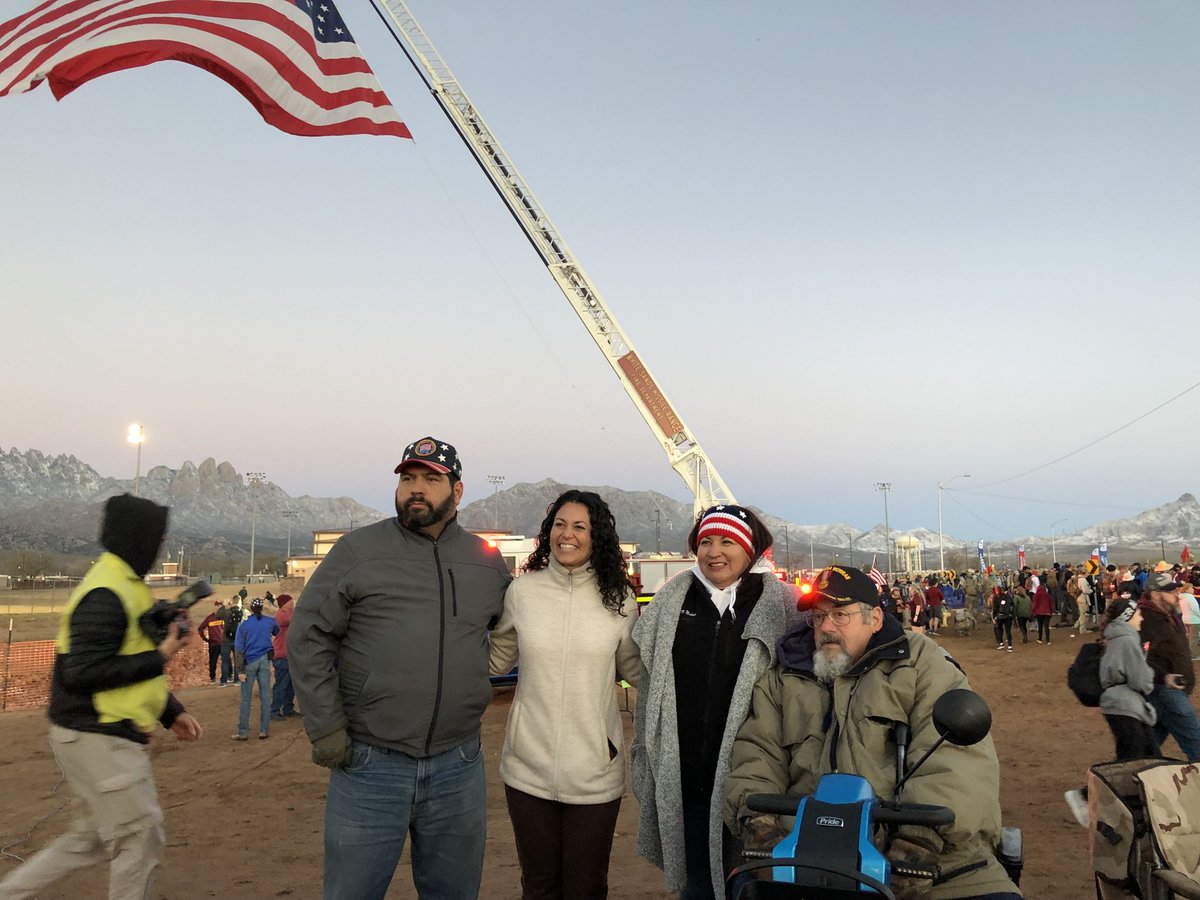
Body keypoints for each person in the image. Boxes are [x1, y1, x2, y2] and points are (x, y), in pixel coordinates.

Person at [288, 436, 511, 900]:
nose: (416, 488)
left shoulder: (485, 563)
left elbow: (520, 626)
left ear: (458, 490)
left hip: (459, 765)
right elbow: (308, 636)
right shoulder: (358, 552)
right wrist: (326, 727)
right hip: (370, 765)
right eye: (408, 478)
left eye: (431, 479)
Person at [723, 565, 1022, 899]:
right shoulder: (782, 678)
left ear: (875, 619)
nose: (826, 627)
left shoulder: (922, 665)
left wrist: (917, 845)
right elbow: (755, 754)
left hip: (935, 863)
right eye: (819, 617)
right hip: (807, 855)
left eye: (840, 614)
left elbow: (956, 761)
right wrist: (762, 828)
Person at [0, 494, 203, 900]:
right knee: (140, 836)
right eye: (157, 538)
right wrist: (163, 653)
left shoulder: (126, 586)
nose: (161, 546)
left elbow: (127, 658)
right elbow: (83, 673)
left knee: (88, 839)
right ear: (137, 538)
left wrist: (169, 711)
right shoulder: (105, 593)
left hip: (93, 732)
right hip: (98, 734)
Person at [631, 504, 798, 900]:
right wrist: (645, 757)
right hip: (685, 774)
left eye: (727, 541)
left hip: (757, 779)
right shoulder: (671, 602)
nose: (714, 551)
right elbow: (649, 681)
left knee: (756, 881)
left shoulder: (782, 607)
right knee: (698, 884)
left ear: (750, 549)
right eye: (706, 541)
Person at [489, 490, 641, 899]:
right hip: (527, 769)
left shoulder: (620, 600)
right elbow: (496, 660)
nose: (567, 534)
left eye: (579, 526)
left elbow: (635, 670)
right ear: (548, 532)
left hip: (595, 771)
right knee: (538, 887)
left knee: (586, 887)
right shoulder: (523, 593)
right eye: (559, 524)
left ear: (597, 537)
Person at [1138, 572, 1200, 761]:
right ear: (1155, 594)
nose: (1177, 594)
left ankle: (1098, 788)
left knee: (1144, 751)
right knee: (1196, 743)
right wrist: (1162, 676)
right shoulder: (1145, 619)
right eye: (1171, 591)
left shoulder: (1168, 615)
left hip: (1172, 691)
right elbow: (1140, 657)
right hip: (1165, 691)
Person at [1098, 597, 1159, 759]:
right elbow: (1140, 679)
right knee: (1135, 760)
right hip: (1126, 705)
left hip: (1119, 703)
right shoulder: (1127, 641)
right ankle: (1095, 785)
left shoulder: (1115, 638)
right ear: (1127, 617)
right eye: (1138, 614)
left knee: (1138, 756)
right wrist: (1149, 677)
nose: (1142, 618)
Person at [232, 597, 278, 740]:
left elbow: (239, 649)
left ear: (251, 609)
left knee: (246, 698)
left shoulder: (244, 625)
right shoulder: (269, 622)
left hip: (249, 662)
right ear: (262, 608)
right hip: (264, 660)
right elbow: (276, 631)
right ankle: (263, 730)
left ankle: (243, 732)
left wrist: (239, 670)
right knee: (265, 696)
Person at [269, 593, 296, 719]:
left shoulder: (287, 614)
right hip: (281, 655)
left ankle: (288, 708)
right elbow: (294, 618)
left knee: (290, 684)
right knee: (281, 684)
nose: (293, 603)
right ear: (284, 604)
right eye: (290, 602)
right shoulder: (280, 616)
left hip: (289, 655)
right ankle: (274, 710)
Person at [197, 598, 226, 683]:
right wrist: (205, 639)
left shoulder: (223, 617)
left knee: (224, 660)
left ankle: (227, 676)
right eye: (217, 606)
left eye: (220, 606)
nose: (218, 607)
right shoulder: (210, 618)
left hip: (221, 643)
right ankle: (213, 677)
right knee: (215, 661)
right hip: (215, 643)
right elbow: (200, 628)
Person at [992, 586, 1015, 652]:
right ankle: (1010, 646)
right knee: (1008, 631)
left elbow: (995, 608)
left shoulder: (995, 598)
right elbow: (1012, 604)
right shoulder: (1007, 596)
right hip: (1008, 616)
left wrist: (994, 617)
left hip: (1000, 616)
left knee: (999, 629)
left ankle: (1001, 643)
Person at [1030, 578, 1053, 644]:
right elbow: (1051, 604)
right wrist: (1051, 611)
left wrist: (1033, 611)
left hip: (1039, 612)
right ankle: (1048, 640)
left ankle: (1040, 638)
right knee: (1046, 626)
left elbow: (1035, 604)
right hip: (1047, 612)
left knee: (1040, 626)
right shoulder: (1047, 595)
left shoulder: (1036, 595)